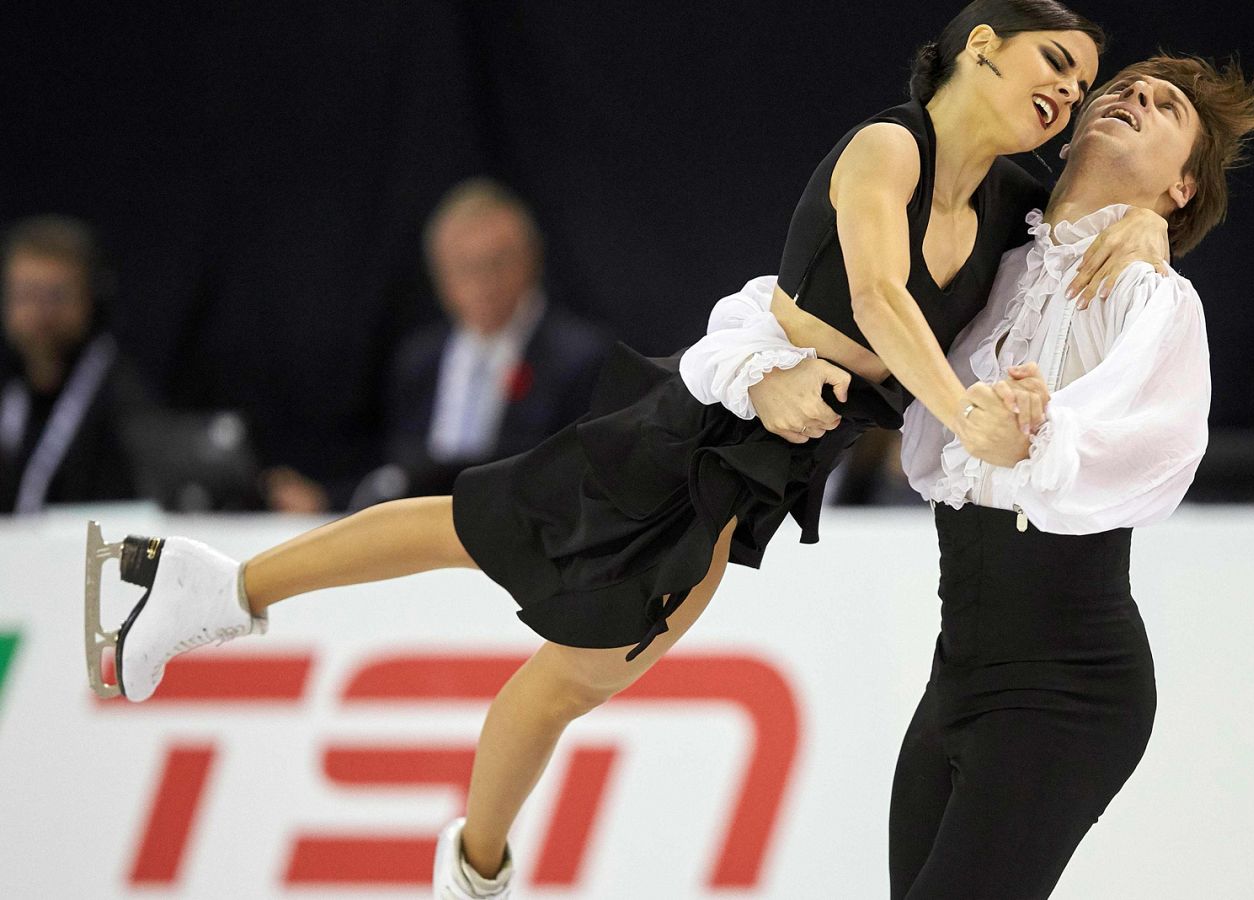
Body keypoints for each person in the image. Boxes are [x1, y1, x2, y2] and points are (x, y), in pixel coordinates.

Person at [88, 5, 1168, 899]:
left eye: (1083, 88)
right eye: (1054, 66)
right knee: (486, 530)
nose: (1069, 96)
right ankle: (212, 589)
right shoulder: (892, 147)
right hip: (698, 432)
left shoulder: (1008, 196)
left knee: (578, 672)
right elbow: (878, 295)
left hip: (759, 472)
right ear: (981, 44)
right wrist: (936, 401)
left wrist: (1155, 227)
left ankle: (474, 865)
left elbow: (1093, 215)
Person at [681, 54, 1254, 897]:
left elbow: (1159, 451)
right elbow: (804, 300)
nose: (1130, 96)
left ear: (1182, 188)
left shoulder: (1155, 297)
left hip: (1069, 688)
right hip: (956, 676)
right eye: (1122, 88)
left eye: (1164, 106)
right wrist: (754, 366)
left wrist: (1037, 440)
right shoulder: (981, 254)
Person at [264, 179, 612, 513]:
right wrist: (326, 499)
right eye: (465, 267)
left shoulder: (579, 359)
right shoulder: (420, 359)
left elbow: (572, 477)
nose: (483, 283)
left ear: (531, 260)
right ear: (440, 276)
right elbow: (395, 473)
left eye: (497, 262)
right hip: (421, 542)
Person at [1, 215, 153, 513]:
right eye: (26, 295)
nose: (40, 313)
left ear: (90, 300)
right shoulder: (9, 386)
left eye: (56, 296)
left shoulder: (121, 398)